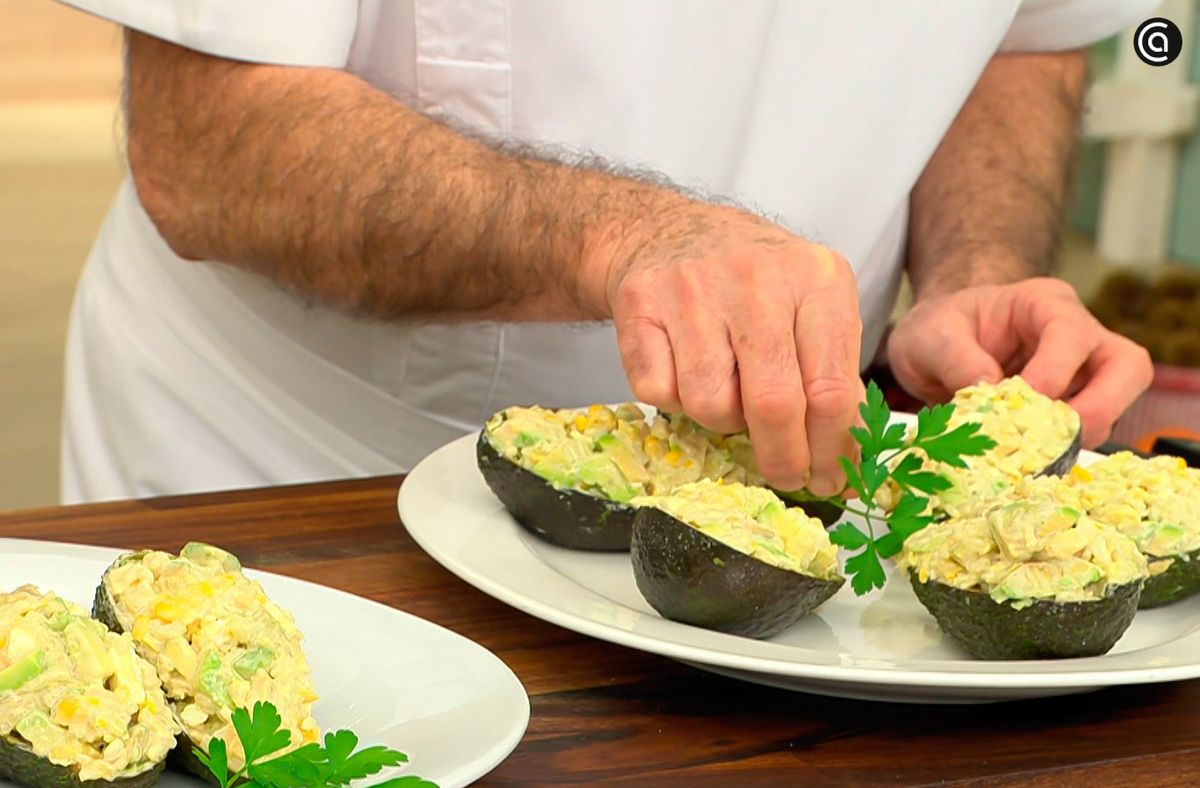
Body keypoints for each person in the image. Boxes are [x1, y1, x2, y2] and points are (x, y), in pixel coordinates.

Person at [58, 0, 1155, 503]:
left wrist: (973, 270)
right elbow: (210, 147)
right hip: (303, 466)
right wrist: (620, 236)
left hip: (783, 498)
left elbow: (1030, 37)